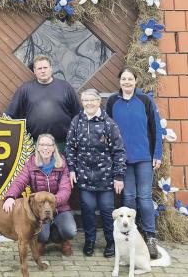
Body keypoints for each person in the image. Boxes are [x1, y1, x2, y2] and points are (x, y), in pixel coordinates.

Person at [105, 67, 163, 259]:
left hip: (144, 158)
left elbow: (155, 128)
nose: (127, 82)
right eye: (124, 79)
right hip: (123, 159)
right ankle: (130, 235)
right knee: (128, 198)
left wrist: (157, 154)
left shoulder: (145, 100)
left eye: (130, 79)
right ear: (119, 81)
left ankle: (150, 237)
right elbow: (107, 129)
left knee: (144, 197)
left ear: (136, 81)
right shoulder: (113, 101)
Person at [65, 88, 126, 258]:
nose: (89, 103)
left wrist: (118, 176)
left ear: (99, 101)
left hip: (105, 179)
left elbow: (119, 151)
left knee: (107, 211)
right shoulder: (77, 122)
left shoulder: (109, 124)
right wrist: (71, 169)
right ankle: (89, 241)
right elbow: (70, 147)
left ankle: (111, 242)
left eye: (92, 100)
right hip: (84, 178)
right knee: (88, 210)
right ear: (82, 102)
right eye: (85, 100)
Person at [3, 133, 76, 256]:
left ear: (54, 148)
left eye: (48, 145)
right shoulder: (31, 164)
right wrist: (10, 197)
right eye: (42, 145)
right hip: (39, 209)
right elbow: (20, 181)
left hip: (59, 207)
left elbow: (65, 189)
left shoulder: (62, 164)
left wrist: (51, 203)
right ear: (37, 147)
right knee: (41, 234)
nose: (45, 148)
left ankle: (63, 239)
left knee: (70, 230)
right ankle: (43, 239)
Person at [4, 55, 81, 151]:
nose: (43, 71)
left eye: (45, 67)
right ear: (34, 71)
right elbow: (10, 115)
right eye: (39, 68)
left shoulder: (65, 87)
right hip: (35, 144)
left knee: (61, 166)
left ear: (51, 69)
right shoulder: (25, 89)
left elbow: (78, 115)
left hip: (62, 144)